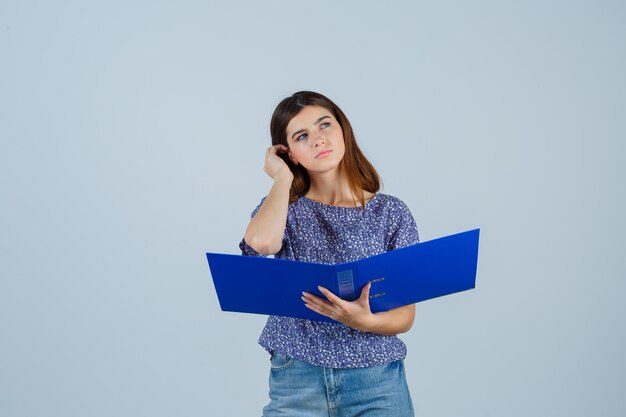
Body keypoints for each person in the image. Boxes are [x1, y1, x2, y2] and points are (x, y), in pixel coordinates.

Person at [240, 91, 419, 417]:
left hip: (376, 380)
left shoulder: (391, 213)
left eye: (325, 125)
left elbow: (406, 315)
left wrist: (365, 321)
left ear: (343, 130)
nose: (318, 139)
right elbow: (262, 244)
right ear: (288, 152)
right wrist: (282, 178)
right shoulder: (284, 210)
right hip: (297, 376)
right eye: (301, 136)